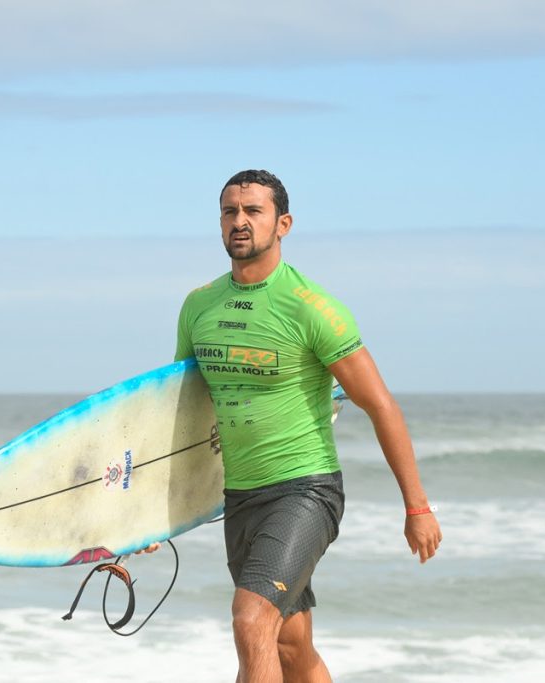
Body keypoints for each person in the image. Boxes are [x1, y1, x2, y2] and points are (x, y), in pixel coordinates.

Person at [148, 170, 441, 682]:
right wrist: (150, 511)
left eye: (253, 211)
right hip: (239, 496)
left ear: (282, 224)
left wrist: (416, 506)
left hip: (304, 490)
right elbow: (184, 411)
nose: (239, 222)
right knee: (289, 645)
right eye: (229, 211)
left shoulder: (313, 309)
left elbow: (380, 405)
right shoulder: (199, 306)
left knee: (251, 619)